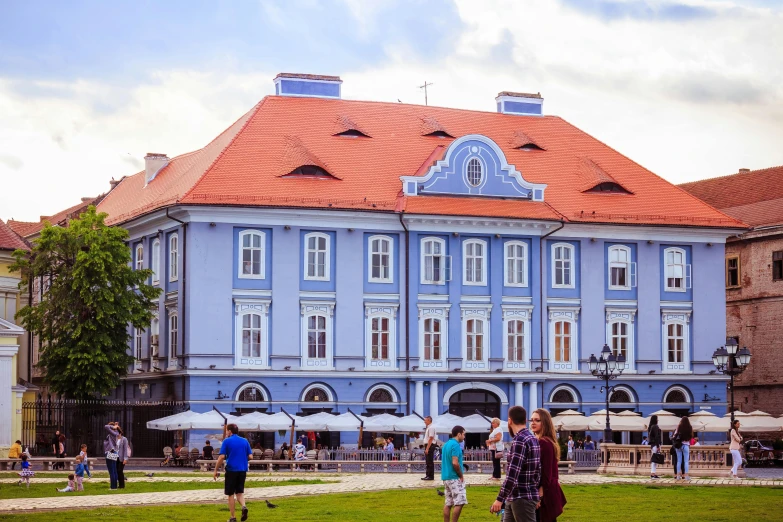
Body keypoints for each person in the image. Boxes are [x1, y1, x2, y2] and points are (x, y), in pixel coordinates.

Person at [490, 406, 541, 522]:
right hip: (516, 495)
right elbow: (538, 470)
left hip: (521, 496)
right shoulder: (533, 439)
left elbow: (512, 474)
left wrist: (499, 499)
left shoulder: (520, 440)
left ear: (510, 421)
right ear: (525, 419)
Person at [531, 409, 567, 522]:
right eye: (531, 420)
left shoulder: (544, 443)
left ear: (545, 423)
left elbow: (546, 472)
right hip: (549, 490)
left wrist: (540, 495)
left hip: (545, 493)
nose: (533, 423)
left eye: (537, 420)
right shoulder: (546, 441)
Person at [214, 423, 252, 522]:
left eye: (226, 431)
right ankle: (244, 506)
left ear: (230, 431)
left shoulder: (227, 441)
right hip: (242, 470)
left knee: (230, 494)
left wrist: (215, 469)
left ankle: (233, 517)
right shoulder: (245, 441)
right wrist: (242, 459)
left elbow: (222, 457)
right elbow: (251, 457)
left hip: (231, 470)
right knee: (239, 492)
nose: (226, 432)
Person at [441, 425, 467, 522]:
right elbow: (455, 463)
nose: (464, 437)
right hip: (454, 477)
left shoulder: (446, 444)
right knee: (460, 502)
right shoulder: (456, 445)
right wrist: (461, 475)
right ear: (459, 434)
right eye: (463, 434)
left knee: (448, 503)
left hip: (446, 477)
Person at [673, 416, 693, 481]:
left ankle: (678, 475)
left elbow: (674, 435)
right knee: (686, 461)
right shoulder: (689, 427)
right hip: (686, 445)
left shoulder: (679, 427)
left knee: (679, 461)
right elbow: (691, 436)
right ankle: (686, 475)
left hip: (679, 445)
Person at [104, 421, 121, 490]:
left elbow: (106, 426)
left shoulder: (112, 433)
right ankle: (115, 486)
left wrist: (113, 426)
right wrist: (116, 427)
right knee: (114, 470)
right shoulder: (116, 433)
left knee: (111, 470)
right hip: (114, 452)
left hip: (110, 451)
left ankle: (112, 487)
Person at [422, 415, 437, 481]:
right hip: (428, 445)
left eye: (425, 420)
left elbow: (431, 438)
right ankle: (428, 475)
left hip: (430, 445)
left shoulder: (431, 428)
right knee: (428, 461)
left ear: (429, 420)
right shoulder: (429, 427)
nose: (424, 421)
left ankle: (430, 476)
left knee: (430, 461)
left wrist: (427, 448)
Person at [648, 414, 662, 479]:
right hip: (655, 444)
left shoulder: (650, 427)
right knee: (654, 460)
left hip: (652, 445)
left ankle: (653, 473)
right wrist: (658, 445)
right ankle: (653, 474)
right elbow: (656, 437)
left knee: (654, 459)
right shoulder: (655, 426)